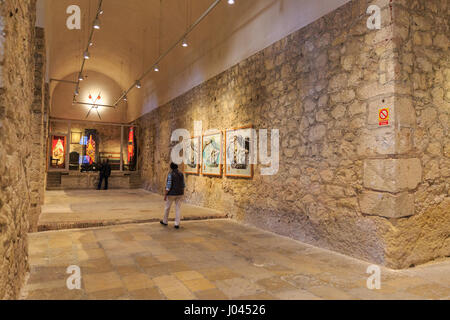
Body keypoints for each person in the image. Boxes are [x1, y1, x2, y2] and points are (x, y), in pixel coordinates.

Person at [160, 162, 185, 229]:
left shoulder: (170, 174)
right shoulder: (181, 174)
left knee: (167, 208)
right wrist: (182, 192)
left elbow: (168, 186)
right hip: (180, 193)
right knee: (178, 208)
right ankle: (177, 224)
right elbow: (183, 185)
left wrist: (165, 194)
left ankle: (165, 221)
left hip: (171, 194)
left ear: (171, 167)